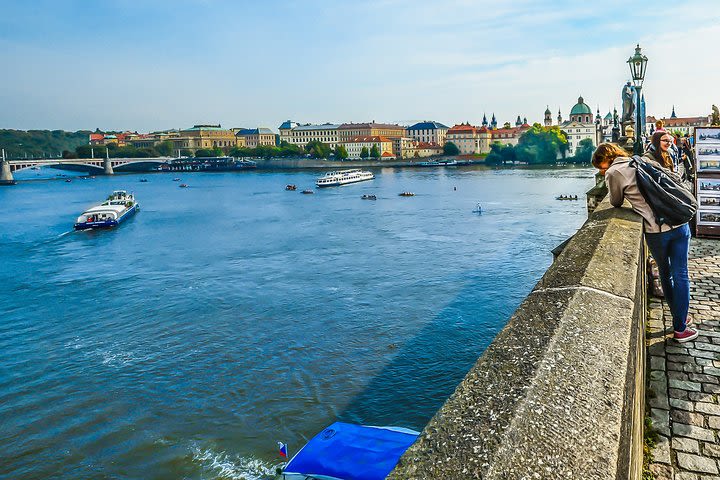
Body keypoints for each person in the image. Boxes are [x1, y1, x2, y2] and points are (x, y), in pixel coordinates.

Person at [592, 141, 697, 342]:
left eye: (600, 167)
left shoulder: (614, 173)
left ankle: (680, 323)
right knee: (682, 275)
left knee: (666, 274)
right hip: (679, 223)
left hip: (656, 231)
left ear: (604, 161)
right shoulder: (641, 160)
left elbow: (615, 201)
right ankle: (680, 323)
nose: (601, 170)